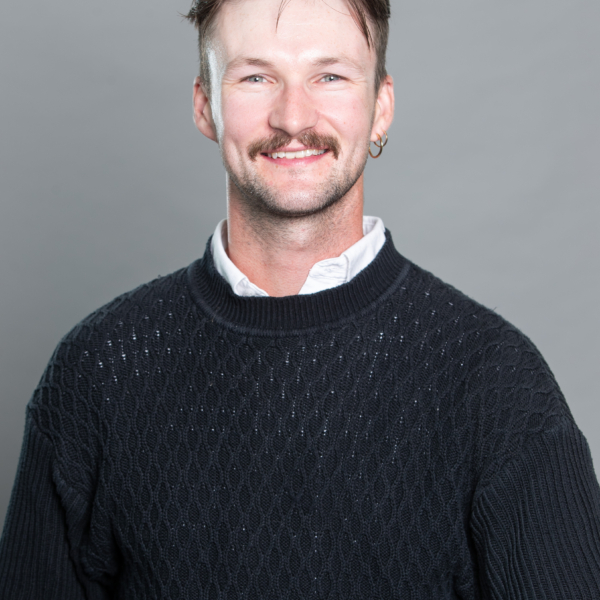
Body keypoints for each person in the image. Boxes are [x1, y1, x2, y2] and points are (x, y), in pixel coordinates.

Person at [1, 0, 599, 597]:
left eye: (329, 76)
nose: (292, 117)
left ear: (380, 106)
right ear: (205, 105)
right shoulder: (98, 371)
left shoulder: (496, 384)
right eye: (256, 77)